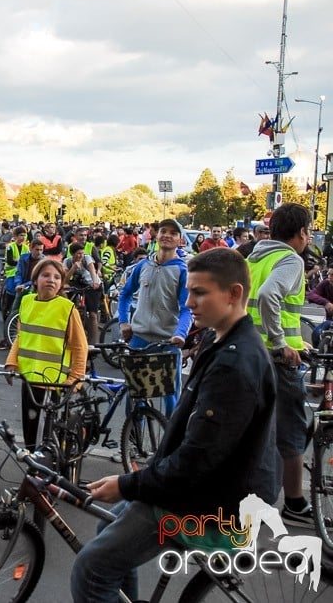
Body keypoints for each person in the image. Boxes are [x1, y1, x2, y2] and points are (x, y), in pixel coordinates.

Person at [71, 247, 280, 603]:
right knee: (109, 523)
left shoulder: (234, 364)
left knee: (91, 569)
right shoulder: (221, 340)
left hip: (212, 506)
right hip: (207, 490)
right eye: (189, 291)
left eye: (199, 292)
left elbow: (197, 460)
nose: (189, 302)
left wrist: (129, 484)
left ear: (234, 294)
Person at [246, 202, 313, 526]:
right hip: (276, 360)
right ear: (300, 232)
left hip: (251, 354)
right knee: (291, 432)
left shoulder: (254, 258)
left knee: (257, 429)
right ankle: (295, 503)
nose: (310, 237)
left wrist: (297, 340)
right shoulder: (290, 260)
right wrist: (282, 343)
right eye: (309, 230)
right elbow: (271, 296)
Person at [3, 258, 87, 450]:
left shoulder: (67, 308)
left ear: (61, 284)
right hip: (28, 378)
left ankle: (39, 473)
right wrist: (11, 362)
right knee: (30, 430)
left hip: (52, 382)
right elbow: (21, 336)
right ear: (35, 280)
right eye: (46, 275)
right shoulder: (26, 302)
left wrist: (75, 379)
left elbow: (80, 346)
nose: (51, 280)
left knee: (42, 435)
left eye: (57, 277)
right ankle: (36, 468)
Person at [117, 218, 190, 416]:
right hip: (139, 338)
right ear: (156, 236)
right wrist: (123, 322)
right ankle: (133, 443)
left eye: (173, 233)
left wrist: (180, 334)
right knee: (136, 397)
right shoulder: (143, 266)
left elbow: (186, 308)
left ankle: (171, 443)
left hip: (168, 341)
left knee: (171, 399)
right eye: (163, 231)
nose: (167, 235)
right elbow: (124, 295)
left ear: (180, 240)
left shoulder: (182, 270)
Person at [65, 241, 102, 343]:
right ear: (72, 254)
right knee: (74, 310)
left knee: (92, 314)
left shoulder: (87, 258)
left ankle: (93, 343)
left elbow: (92, 272)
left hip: (92, 286)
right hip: (79, 284)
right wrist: (73, 268)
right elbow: (65, 280)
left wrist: (95, 282)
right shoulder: (67, 262)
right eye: (78, 253)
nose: (81, 255)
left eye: (82, 253)